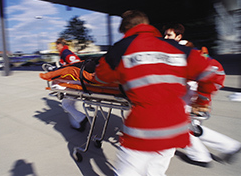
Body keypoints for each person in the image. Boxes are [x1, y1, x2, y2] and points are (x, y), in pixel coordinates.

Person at [94, 10, 224, 176]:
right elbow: (213, 73)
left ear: (125, 28)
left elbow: (101, 77)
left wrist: (124, 74)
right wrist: (202, 101)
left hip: (143, 127)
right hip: (176, 125)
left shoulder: (121, 49)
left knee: (126, 172)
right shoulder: (177, 48)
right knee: (156, 171)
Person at [163, 23, 241, 167]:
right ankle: (229, 147)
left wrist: (202, 101)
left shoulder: (184, 51)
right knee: (189, 125)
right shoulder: (185, 49)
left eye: (169, 35)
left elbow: (204, 75)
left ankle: (201, 156)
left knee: (179, 123)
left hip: (194, 90)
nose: (165, 37)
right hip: (195, 90)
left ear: (179, 37)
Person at [48, 38, 87, 131]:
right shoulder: (65, 53)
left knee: (66, 105)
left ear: (60, 44)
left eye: (57, 45)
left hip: (75, 82)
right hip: (77, 81)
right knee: (69, 104)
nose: (56, 48)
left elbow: (76, 65)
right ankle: (77, 125)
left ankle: (82, 119)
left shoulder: (66, 53)